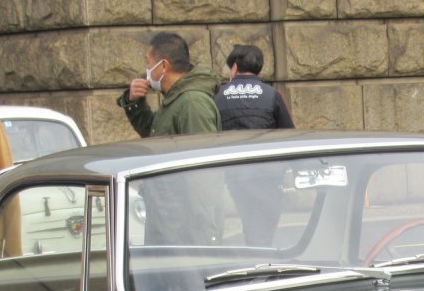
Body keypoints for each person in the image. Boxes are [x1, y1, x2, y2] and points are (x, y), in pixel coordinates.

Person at [214, 44, 294, 245]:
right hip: (267, 173)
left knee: (248, 219)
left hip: (234, 174)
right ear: (259, 68)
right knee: (264, 228)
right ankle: (261, 259)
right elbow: (289, 134)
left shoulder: (219, 95)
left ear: (234, 68)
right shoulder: (271, 95)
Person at [116, 31, 220, 137]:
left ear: (164, 66)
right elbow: (155, 133)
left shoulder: (192, 103)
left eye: (148, 62)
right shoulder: (177, 98)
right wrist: (134, 102)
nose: (147, 68)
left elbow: (201, 150)